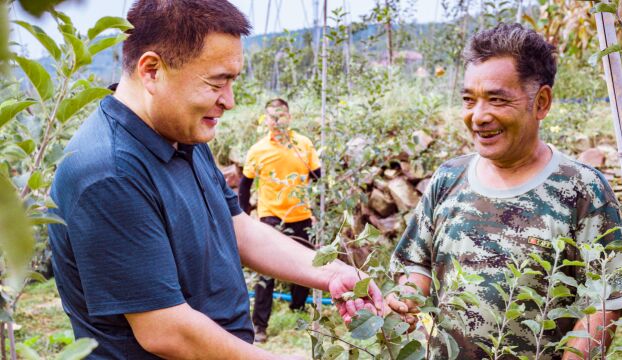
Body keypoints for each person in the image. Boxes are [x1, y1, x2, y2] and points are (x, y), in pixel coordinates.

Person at [47, 1, 381, 359]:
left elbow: (239, 230)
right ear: (152, 71)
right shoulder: (109, 173)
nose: (230, 101)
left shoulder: (181, 134)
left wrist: (333, 273)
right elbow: (167, 331)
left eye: (232, 81)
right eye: (216, 83)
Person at [386, 23, 622, 360]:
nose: (478, 116)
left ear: (541, 102)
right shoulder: (448, 178)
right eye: (468, 100)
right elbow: (418, 266)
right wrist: (407, 302)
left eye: (496, 100)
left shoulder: (583, 190)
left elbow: (602, 306)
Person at [238, 98, 321, 342]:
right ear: (266, 120)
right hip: (271, 216)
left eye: (281, 116)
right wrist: (243, 216)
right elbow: (244, 187)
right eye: (272, 117)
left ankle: (298, 312)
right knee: (265, 271)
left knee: (306, 267)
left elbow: (318, 179)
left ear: (289, 118)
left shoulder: (303, 145)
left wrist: (317, 208)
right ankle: (260, 326)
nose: (276, 121)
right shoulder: (258, 150)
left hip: (301, 214)